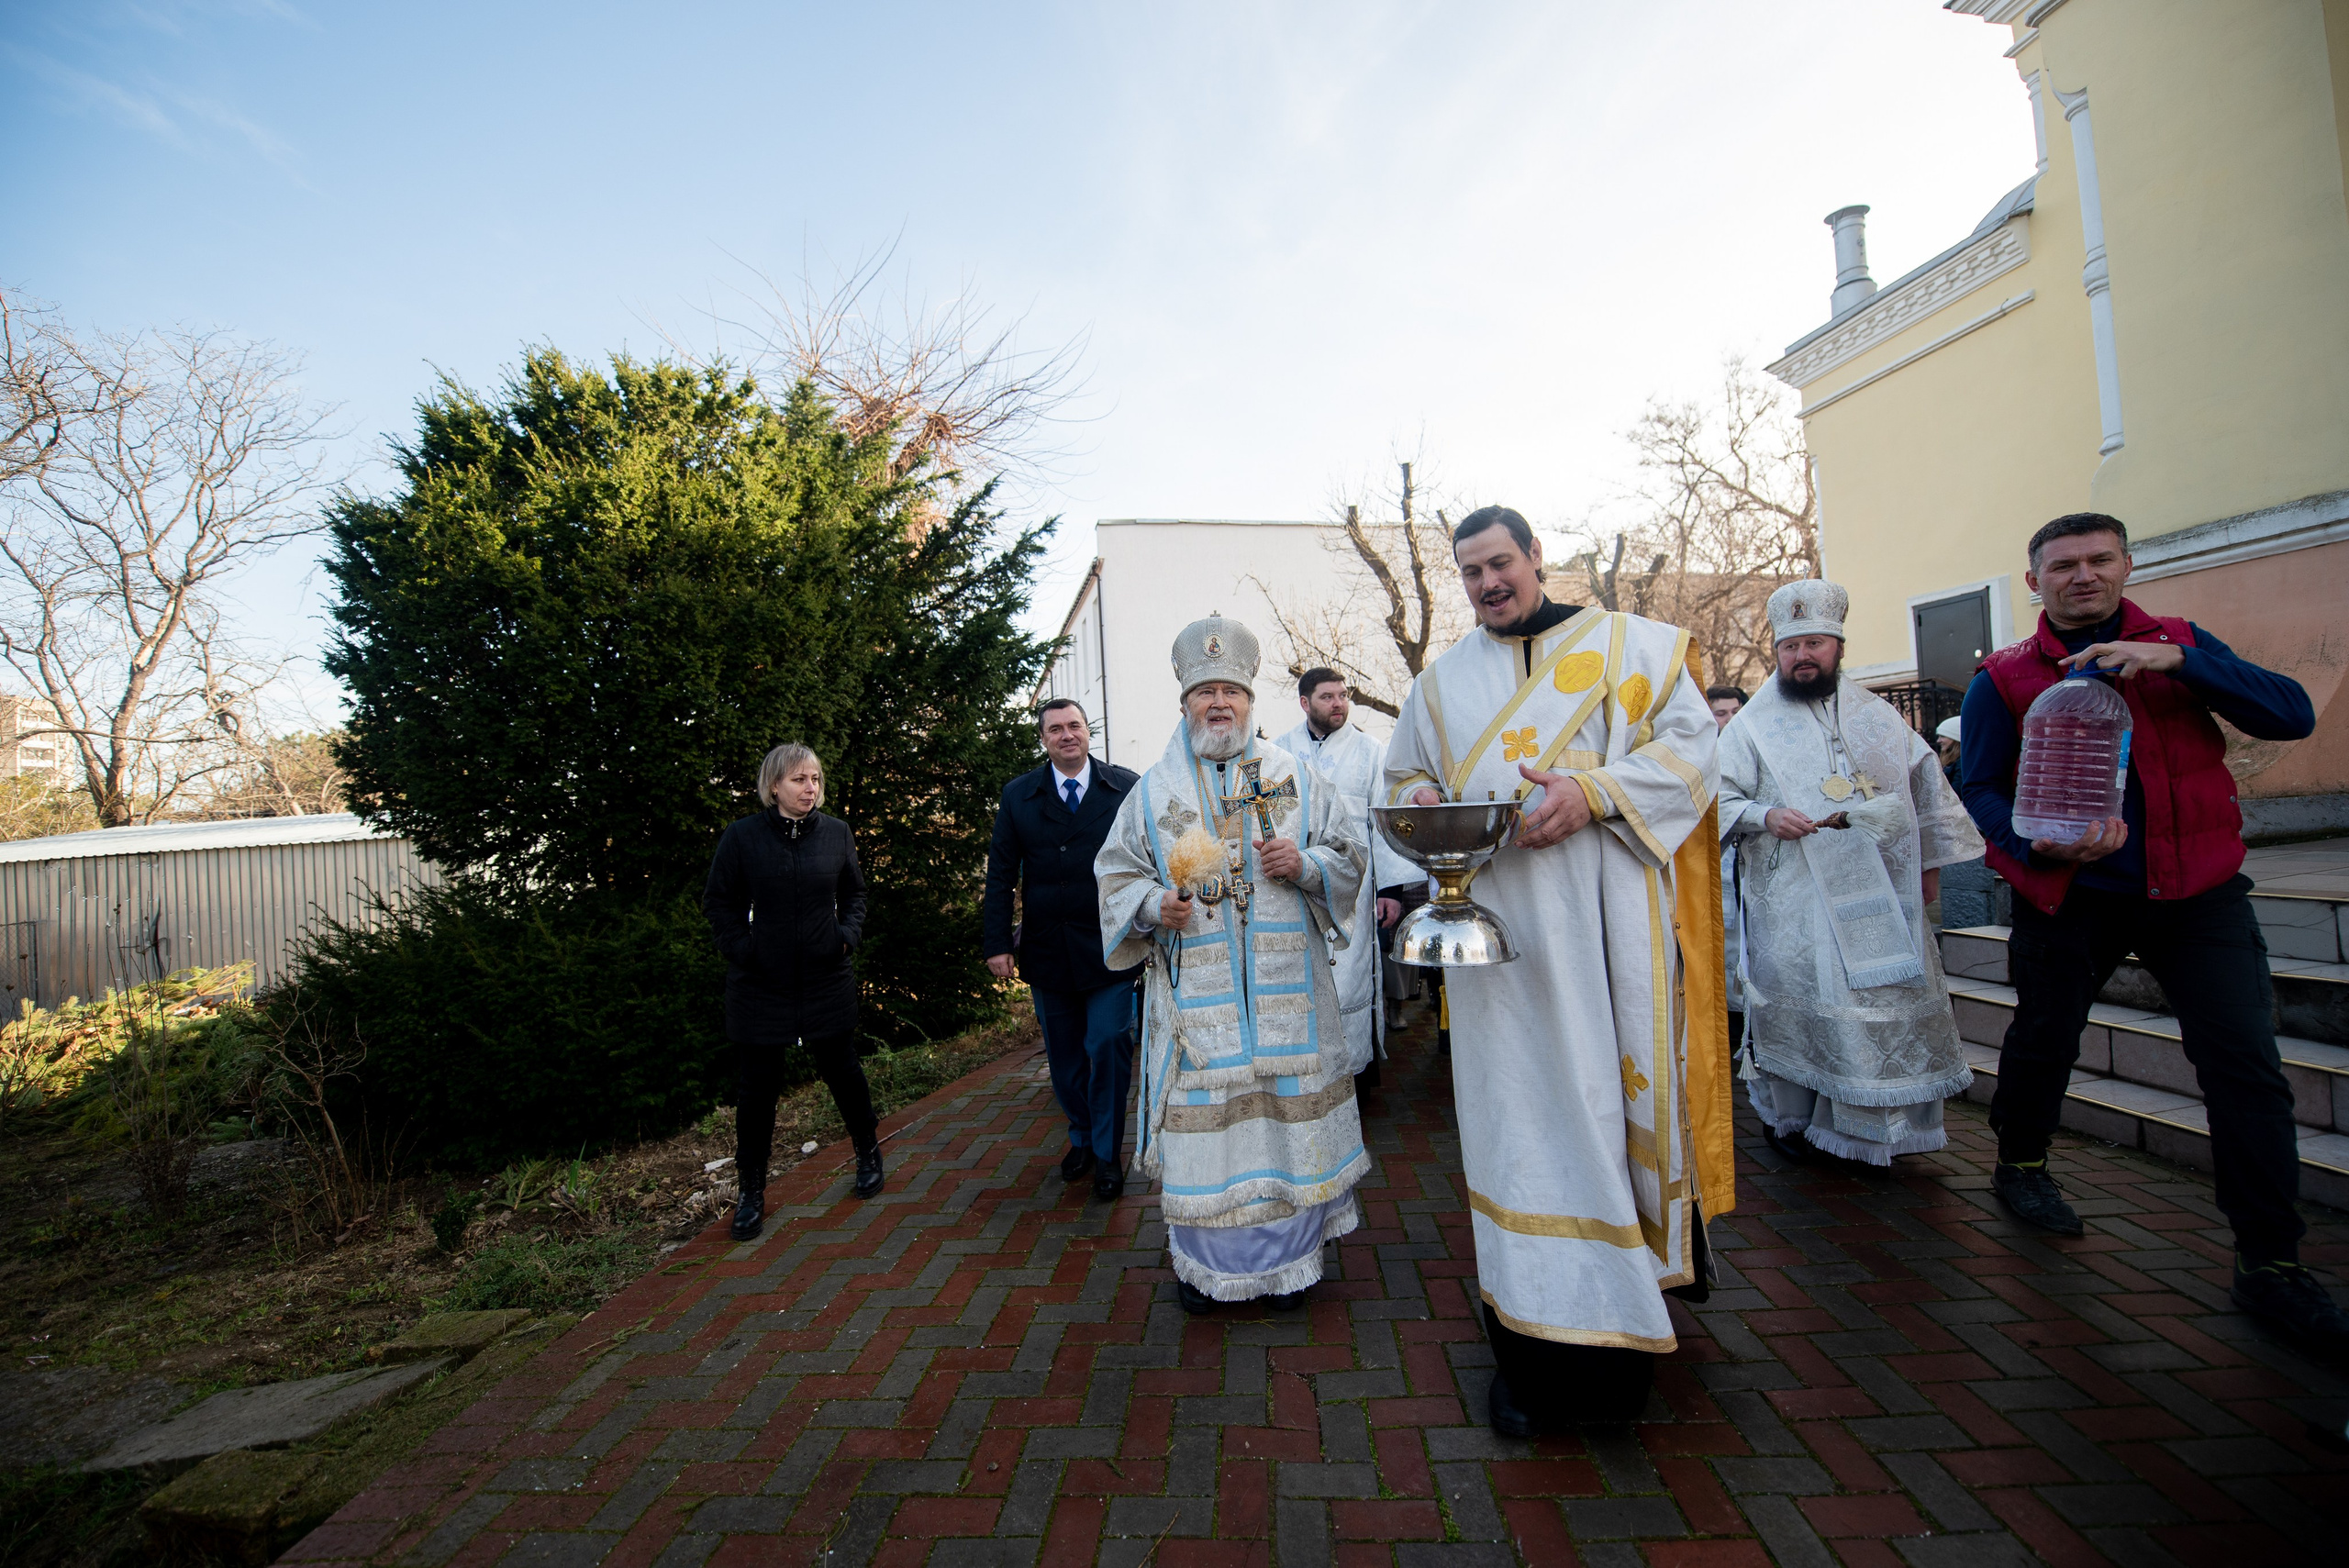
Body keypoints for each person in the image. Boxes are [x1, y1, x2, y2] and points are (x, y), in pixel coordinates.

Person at [1382, 506, 1733, 1433]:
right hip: (1499, 954)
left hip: (1614, 937)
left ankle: (1624, 1322)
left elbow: (1695, 753)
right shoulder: (1439, 684)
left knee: (1607, 1113)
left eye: (1501, 562)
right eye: (1470, 572)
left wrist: (1595, 791)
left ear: (1536, 556)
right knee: (1516, 1128)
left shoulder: (1637, 648)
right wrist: (1422, 794)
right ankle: (1532, 1338)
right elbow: (1402, 778)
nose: (1488, 583)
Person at [1957, 512, 2343, 1348]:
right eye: (2063, 565)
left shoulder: (2182, 644)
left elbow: (2293, 715)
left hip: (2199, 894)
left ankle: (2271, 1261)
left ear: (2126, 565)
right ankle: (2022, 1162)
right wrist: (2033, 843)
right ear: (2034, 582)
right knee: (2044, 1038)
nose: (2083, 575)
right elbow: (1979, 786)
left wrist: (2184, 663)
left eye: (2100, 559)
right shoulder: (2006, 677)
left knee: (2246, 1069)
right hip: (2072, 895)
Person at [1096, 614, 1372, 1313]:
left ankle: (1290, 1265)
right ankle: (1207, 1273)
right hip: (1199, 1011)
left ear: (1250, 701)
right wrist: (1155, 904)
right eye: (1205, 691)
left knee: (1284, 1130)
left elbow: (1350, 855)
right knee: (1210, 1135)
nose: (1219, 702)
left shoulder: (1296, 777)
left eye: (1231, 691)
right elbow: (1115, 876)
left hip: (1289, 1001)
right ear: (1185, 702)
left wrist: (1305, 863)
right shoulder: (1151, 792)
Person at [1718, 581, 1983, 1165]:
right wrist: (1764, 815)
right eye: (1790, 647)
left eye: (1814, 643)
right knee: (1809, 1009)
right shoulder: (1751, 725)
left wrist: (1928, 868)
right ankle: (1793, 1122)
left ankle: (1877, 1131)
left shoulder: (1879, 718)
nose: (1801, 656)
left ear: (1838, 646)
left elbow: (1925, 791)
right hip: (1797, 902)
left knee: (1880, 1008)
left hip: (1884, 895)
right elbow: (1712, 798)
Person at [703, 742, 883, 1240]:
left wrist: (845, 937)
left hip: (827, 978)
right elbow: (719, 902)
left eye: (816, 779)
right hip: (760, 985)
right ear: (774, 786)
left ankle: (868, 1151)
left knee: (843, 1071)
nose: (810, 788)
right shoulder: (742, 837)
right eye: (800, 779)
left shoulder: (836, 833)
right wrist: (746, 949)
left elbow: (855, 893)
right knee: (757, 1089)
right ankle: (750, 1191)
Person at [983, 698, 1143, 1200]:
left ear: (1088, 732)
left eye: (1074, 725)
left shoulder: (1125, 787)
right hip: (1048, 949)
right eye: (1055, 729)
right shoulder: (1019, 795)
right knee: (1066, 1058)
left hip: (1111, 947)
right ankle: (1081, 1136)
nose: (1067, 735)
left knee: (1109, 1044)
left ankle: (1107, 1153)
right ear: (1044, 739)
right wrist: (996, 943)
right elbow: (1001, 873)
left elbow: (1151, 858)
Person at [1275, 668, 1415, 1088]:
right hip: (1294, 887)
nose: (1338, 704)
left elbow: (1384, 825)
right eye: (1327, 697)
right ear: (1305, 703)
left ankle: (1354, 1076)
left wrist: (1390, 890)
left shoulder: (1371, 752)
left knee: (1350, 976)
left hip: (1354, 888)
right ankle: (1303, 1078)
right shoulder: (1280, 751)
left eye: (1342, 695)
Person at [1708, 686, 1749, 1049]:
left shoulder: (1753, 748)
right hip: (1715, 864)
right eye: (1721, 713)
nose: (1730, 720)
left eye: (1735, 711)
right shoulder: (1703, 754)